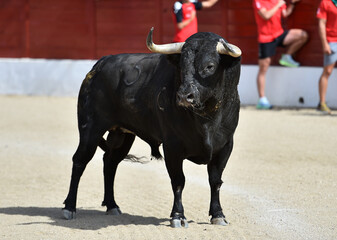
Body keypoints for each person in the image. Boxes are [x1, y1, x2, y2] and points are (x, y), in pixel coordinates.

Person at [252, 0, 308, 109]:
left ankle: (287, 56)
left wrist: (291, 4)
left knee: (303, 35)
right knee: (263, 69)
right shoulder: (258, 1)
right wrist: (278, 4)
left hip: (279, 34)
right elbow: (266, 16)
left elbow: (285, 14)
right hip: (266, 38)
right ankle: (262, 100)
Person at [316, 0, 337, 115]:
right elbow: (321, 23)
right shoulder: (326, 2)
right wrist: (325, 43)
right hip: (332, 41)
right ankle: (322, 103)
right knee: (327, 71)